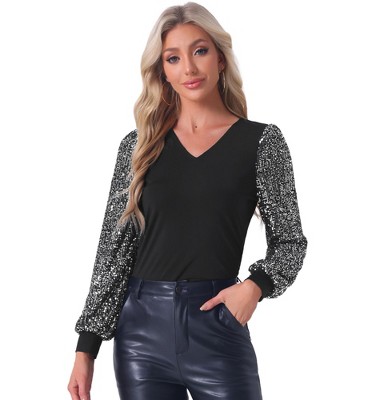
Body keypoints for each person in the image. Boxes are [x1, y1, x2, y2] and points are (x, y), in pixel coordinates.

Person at [67, 2, 308, 400]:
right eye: (173, 58)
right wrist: (86, 347)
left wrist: (255, 287)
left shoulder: (262, 143)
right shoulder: (138, 147)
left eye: (200, 51)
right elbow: (114, 252)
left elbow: (290, 242)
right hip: (140, 338)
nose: (190, 69)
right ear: (162, 70)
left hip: (218, 327)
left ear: (220, 57)